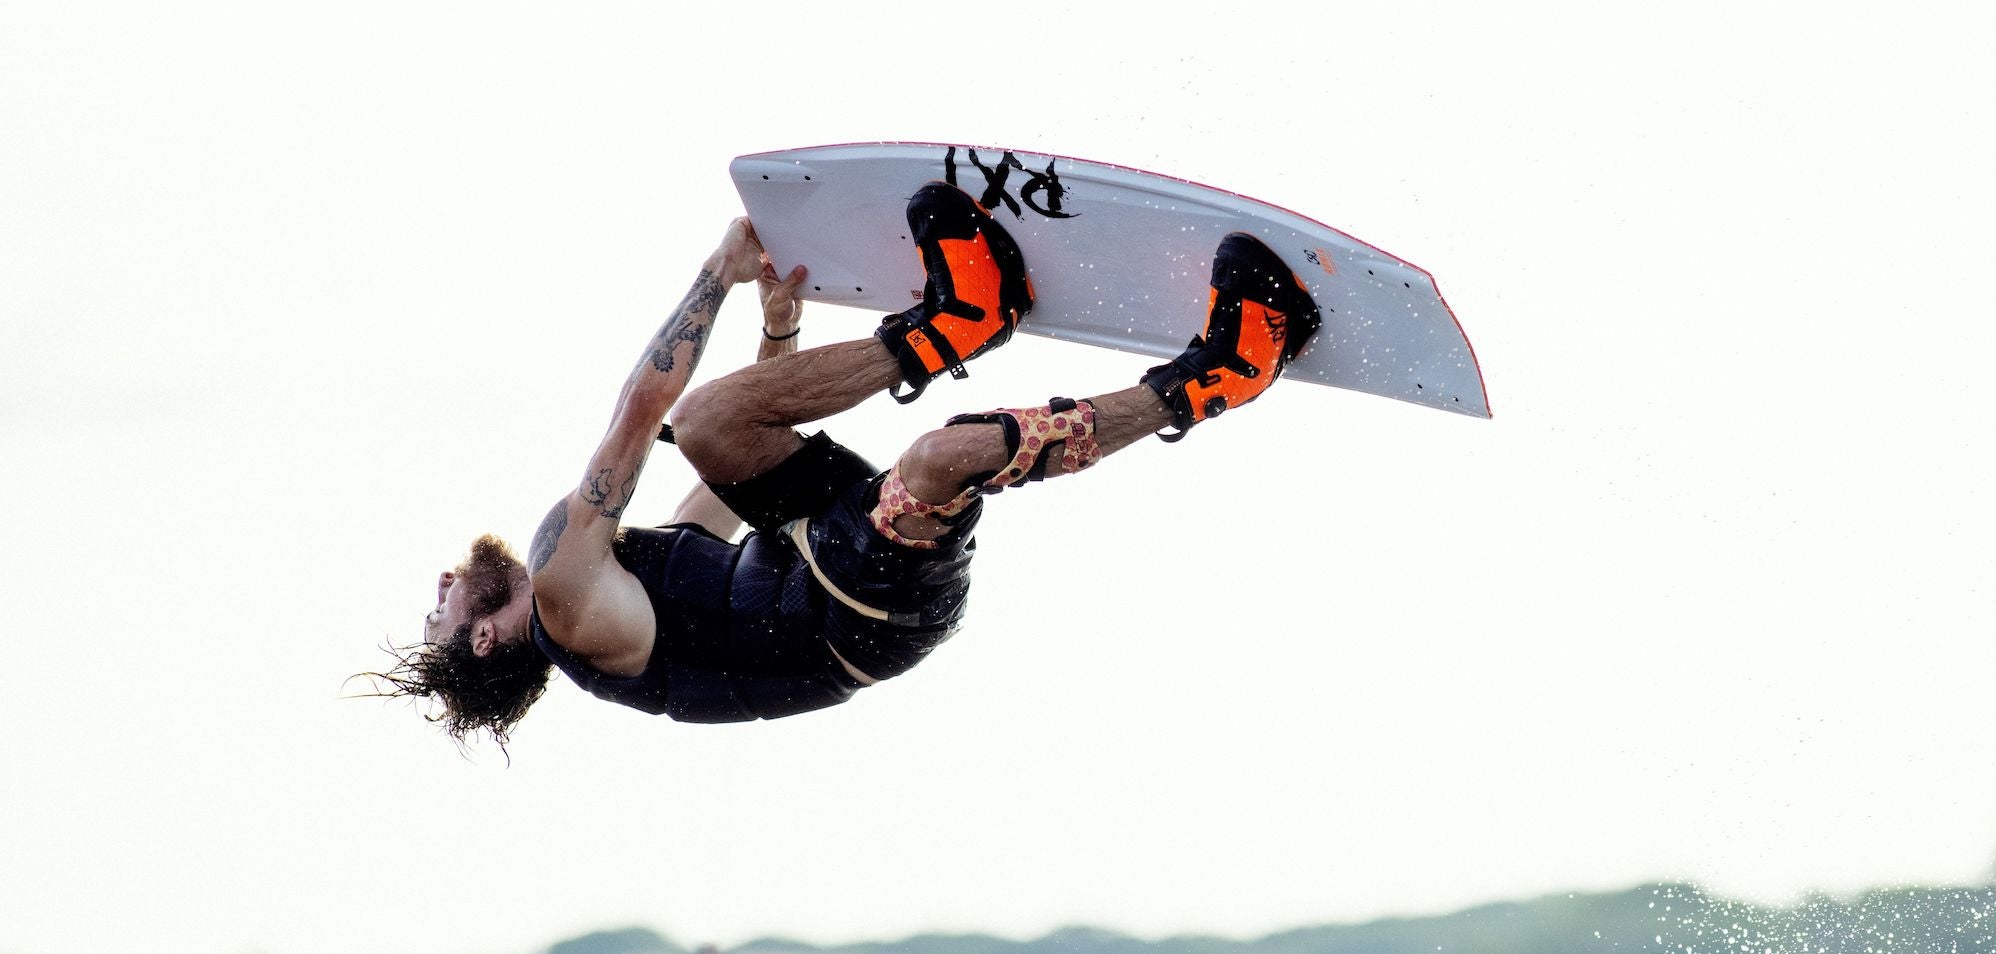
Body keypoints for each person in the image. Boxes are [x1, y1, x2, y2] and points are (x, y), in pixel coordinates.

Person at [377, 185, 1322, 745]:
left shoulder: (618, 594)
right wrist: (718, 270)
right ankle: (1220, 378)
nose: (443, 585)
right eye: (440, 610)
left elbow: (726, 467)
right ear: (486, 641)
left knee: (711, 426)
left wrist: (777, 326)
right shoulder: (567, 601)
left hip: (808, 547)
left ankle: (963, 319)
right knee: (940, 457)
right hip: (860, 615)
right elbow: (638, 411)